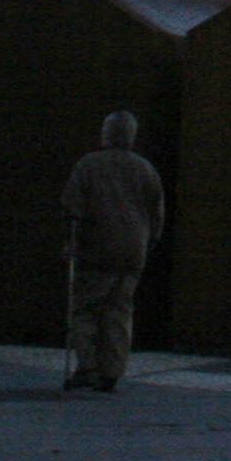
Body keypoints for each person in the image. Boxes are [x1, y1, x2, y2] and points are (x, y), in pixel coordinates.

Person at [61, 110, 165, 394]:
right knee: (119, 311)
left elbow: (73, 208)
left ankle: (87, 367)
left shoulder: (90, 165)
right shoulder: (146, 169)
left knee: (84, 309)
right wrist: (149, 241)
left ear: (106, 134)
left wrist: (71, 243)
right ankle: (112, 371)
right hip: (133, 251)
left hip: (97, 248)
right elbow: (157, 214)